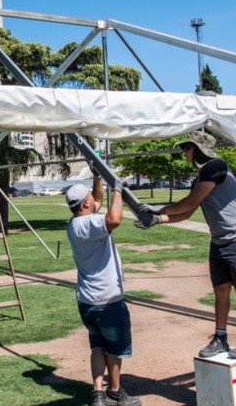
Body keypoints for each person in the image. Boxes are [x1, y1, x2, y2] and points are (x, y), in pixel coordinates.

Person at [135, 131, 236, 360]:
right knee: (221, 290)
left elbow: (190, 202)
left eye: (187, 147)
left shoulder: (215, 167)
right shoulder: (201, 177)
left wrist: (159, 209)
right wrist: (158, 220)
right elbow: (188, 212)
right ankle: (220, 338)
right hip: (221, 240)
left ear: (198, 148)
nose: (184, 152)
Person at [65, 171, 141, 406]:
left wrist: (97, 178)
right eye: (90, 196)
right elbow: (114, 219)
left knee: (97, 346)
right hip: (107, 300)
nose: (94, 199)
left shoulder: (75, 223)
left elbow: (97, 202)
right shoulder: (93, 223)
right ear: (86, 203)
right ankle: (115, 392)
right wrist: (117, 189)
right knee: (114, 349)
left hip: (87, 301)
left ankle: (98, 393)